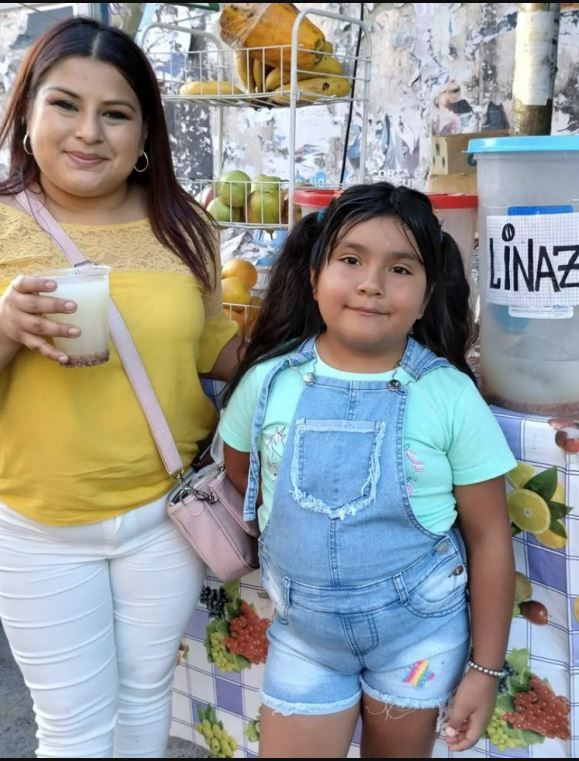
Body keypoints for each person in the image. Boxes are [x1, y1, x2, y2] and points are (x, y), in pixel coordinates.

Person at [0, 16, 241, 759]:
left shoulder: (183, 228)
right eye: (65, 104)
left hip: (162, 516)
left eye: (116, 113)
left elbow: (217, 351)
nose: (88, 133)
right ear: (27, 114)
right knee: (73, 732)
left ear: (144, 136)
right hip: (39, 530)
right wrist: (6, 326)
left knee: (145, 710)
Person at [219, 182, 516, 758]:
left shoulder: (449, 396)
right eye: (350, 259)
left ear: (429, 294)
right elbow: (243, 478)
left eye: (401, 269)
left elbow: (489, 538)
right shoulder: (267, 383)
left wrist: (486, 668)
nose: (371, 284)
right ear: (314, 274)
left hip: (419, 640)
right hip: (305, 640)